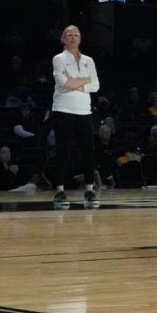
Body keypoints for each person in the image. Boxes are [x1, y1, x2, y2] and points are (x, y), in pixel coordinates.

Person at [50, 25, 101, 209]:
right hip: (63, 109)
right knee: (63, 151)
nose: (73, 37)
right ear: (63, 39)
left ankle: (89, 189)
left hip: (84, 111)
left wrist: (77, 84)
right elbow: (63, 82)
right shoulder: (59, 59)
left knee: (89, 151)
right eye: (69, 34)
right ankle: (60, 191)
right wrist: (83, 82)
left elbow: (95, 85)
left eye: (76, 34)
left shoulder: (89, 60)